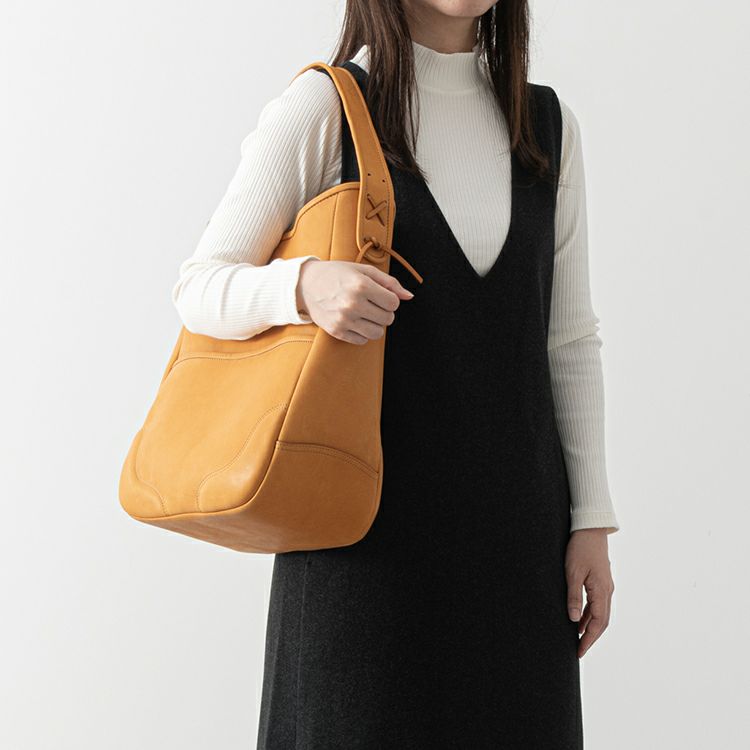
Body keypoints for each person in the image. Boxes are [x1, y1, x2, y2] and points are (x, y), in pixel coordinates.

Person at [171, 1, 620, 747]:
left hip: (518, 550)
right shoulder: (327, 108)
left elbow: (568, 339)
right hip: (363, 556)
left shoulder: (547, 127)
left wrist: (590, 521)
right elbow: (199, 287)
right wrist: (304, 285)